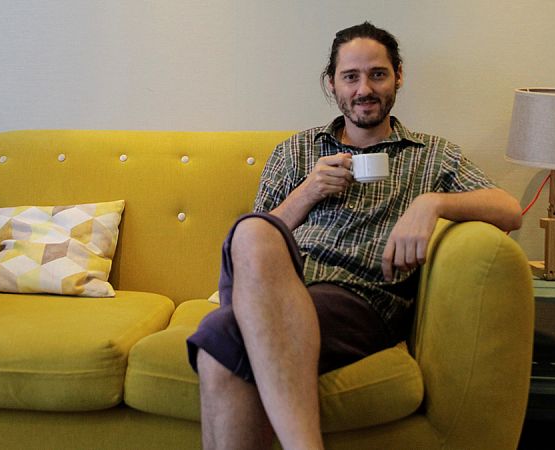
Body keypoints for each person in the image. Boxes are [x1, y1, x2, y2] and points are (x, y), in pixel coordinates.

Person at [186, 22, 522, 450]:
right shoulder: (296, 151)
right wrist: (307, 192)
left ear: (398, 76)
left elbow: (509, 209)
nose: (365, 89)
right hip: (277, 286)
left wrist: (432, 204)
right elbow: (252, 246)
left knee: (219, 337)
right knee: (251, 230)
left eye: (377, 74)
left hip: (360, 298)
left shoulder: (433, 155)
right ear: (332, 83)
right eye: (351, 77)